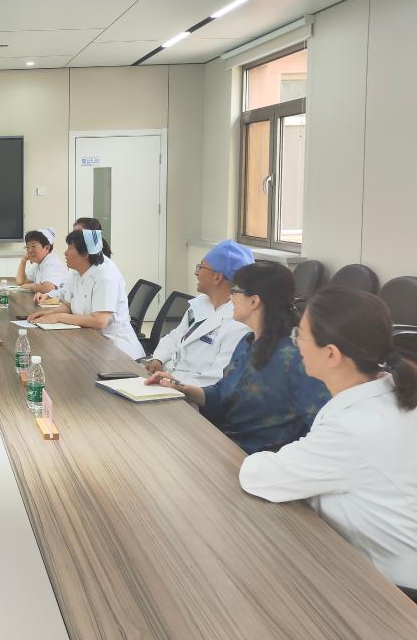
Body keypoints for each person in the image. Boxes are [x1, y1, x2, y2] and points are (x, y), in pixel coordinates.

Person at [239, 287, 417, 591]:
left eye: (300, 334)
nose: (296, 342)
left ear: (331, 353)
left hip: (394, 592)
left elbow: (258, 476)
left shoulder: (354, 427)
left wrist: (272, 456)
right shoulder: (390, 393)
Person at [147, 261, 329, 454]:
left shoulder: (296, 358)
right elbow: (222, 395)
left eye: (234, 291)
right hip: (224, 444)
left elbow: (320, 429)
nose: (230, 297)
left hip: (256, 458)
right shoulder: (248, 341)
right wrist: (180, 387)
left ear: (254, 302)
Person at [144, 240, 254, 386]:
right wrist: (158, 359)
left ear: (217, 277)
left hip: (191, 391)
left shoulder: (239, 323)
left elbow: (218, 377)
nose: (196, 272)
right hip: (169, 377)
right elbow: (176, 336)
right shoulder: (201, 303)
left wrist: (176, 383)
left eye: (201, 267)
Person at [27, 229, 145, 359]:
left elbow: (99, 321)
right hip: (89, 340)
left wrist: (58, 317)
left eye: (70, 248)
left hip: (116, 350)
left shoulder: (106, 277)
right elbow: (68, 306)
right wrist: (47, 314)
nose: (65, 253)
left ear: (85, 254)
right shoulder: (77, 272)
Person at [42, 217, 113, 301]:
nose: (75, 237)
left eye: (78, 233)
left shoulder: (104, 274)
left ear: (91, 237)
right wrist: (48, 295)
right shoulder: (80, 267)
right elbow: (66, 291)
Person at [15, 228, 68, 293]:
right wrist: (23, 260)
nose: (30, 250)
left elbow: (47, 288)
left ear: (47, 248)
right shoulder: (39, 264)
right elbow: (21, 282)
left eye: (33, 246)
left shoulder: (53, 263)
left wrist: (30, 286)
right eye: (28, 247)